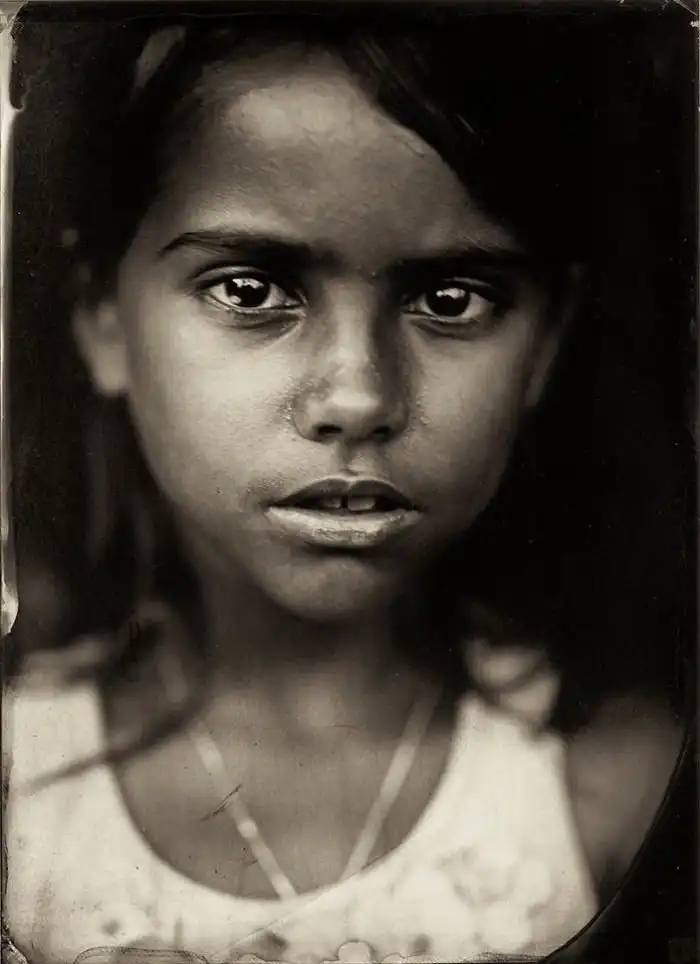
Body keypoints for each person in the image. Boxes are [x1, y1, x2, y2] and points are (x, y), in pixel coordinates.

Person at [3, 11, 688, 964]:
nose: (359, 397)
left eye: (451, 299)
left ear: (546, 343)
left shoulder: (612, 783)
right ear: (102, 316)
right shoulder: (22, 777)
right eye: (250, 290)